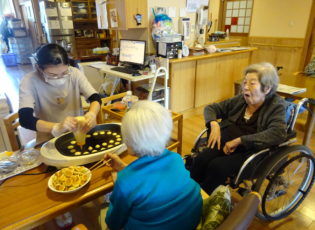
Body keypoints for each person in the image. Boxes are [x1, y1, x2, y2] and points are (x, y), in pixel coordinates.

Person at [190, 62, 287, 195]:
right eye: (245, 82)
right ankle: (188, 191)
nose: (245, 88)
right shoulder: (241, 100)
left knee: (218, 167)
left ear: (267, 88)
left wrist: (240, 140)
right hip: (226, 141)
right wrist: (214, 124)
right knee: (201, 159)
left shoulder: (276, 106)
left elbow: (278, 133)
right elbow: (211, 108)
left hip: (250, 151)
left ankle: (201, 199)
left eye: (252, 83)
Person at [103, 100, 202, 230]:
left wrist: (122, 177)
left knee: (101, 213)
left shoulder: (125, 181)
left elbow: (113, 222)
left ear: (131, 141)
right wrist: (123, 167)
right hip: (191, 220)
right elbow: (152, 181)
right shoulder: (176, 158)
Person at [19, 43, 101, 144]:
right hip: (47, 136)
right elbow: (25, 119)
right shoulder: (30, 81)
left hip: (77, 132)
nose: (59, 78)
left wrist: (92, 114)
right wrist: (56, 127)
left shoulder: (74, 73)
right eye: (52, 74)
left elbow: (95, 97)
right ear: (39, 68)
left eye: (64, 73)